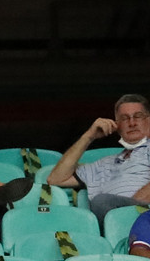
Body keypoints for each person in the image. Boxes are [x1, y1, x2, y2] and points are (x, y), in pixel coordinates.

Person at [48, 94, 150, 222]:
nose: (132, 123)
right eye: (124, 119)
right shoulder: (104, 163)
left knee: (102, 201)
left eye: (138, 116)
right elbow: (56, 179)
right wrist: (89, 136)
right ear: (117, 126)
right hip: (112, 221)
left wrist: (129, 213)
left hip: (142, 216)